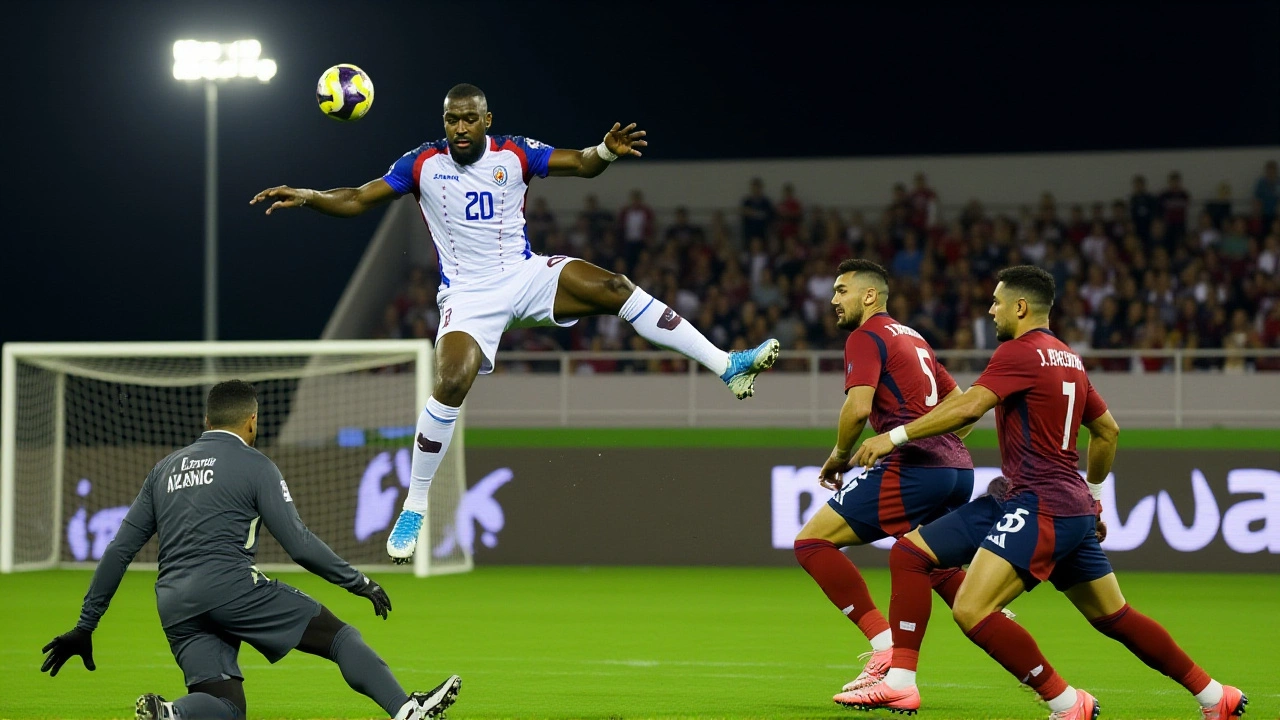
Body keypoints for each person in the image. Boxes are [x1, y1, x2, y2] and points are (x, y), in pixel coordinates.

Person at [251, 84, 780, 563]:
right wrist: (312, 197)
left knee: (615, 287)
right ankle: (414, 505)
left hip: (524, 274)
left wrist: (604, 153)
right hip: (468, 294)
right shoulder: (421, 164)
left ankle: (726, 364)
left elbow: (579, 164)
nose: (458, 128)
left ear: (486, 119)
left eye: (467, 119)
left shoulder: (514, 153)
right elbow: (360, 198)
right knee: (451, 382)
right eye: (450, 120)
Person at [840, 266, 1247, 720]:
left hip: (1040, 504)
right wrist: (1092, 498)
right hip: (1054, 502)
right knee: (1113, 616)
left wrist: (892, 437)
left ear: (1020, 307)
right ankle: (1215, 696)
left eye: (996, 302)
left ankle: (1065, 703)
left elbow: (971, 407)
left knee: (973, 609)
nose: (990, 309)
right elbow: (1108, 432)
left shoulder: (1019, 352)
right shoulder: (1068, 357)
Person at [39, 381, 461, 720]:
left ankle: (169, 712)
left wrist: (85, 624)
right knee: (338, 637)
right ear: (252, 421)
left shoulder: (163, 470)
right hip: (232, 589)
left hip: (174, 604)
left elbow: (118, 551)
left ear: (206, 421)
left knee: (225, 705)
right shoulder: (256, 465)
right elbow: (297, 543)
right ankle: (407, 711)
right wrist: (358, 581)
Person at [795, 259, 978, 696]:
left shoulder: (866, 336)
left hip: (913, 467)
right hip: (958, 469)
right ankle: (986, 607)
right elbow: (964, 410)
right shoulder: (915, 338)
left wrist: (840, 455)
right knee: (924, 559)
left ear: (870, 296)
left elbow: (858, 408)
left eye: (842, 291)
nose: (834, 300)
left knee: (812, 543)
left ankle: (883, 648)